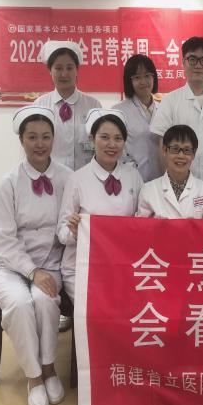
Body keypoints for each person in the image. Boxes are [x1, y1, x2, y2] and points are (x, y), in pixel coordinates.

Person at [0, 107, 73, 405]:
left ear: (53, 139)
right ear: (21, 140)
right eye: (32, 137)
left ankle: (49, 367)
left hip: (51, 260)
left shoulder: (67, 177)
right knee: (20, 304)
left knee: (46, 300)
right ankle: (34, 376)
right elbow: (5, 239)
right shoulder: (9, 182)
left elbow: (70, 221)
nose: (40, 144)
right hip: (9, 264)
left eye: (46, 137)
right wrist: (31, 271)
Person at [58, 109, 143, 302]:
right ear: (92, 139)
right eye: (104, 137)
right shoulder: (77, 179)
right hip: (82, 265)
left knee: (130, 305)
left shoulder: (133, 176)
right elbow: (62, 233)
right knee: (100, 305)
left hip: (123, 263)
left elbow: (141, 221)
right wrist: (74, 231)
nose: (112, 144)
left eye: (118, 138)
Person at [149, 36, 203, 183]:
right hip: (180, 183)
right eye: (192, 59)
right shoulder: (170, 101)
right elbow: (162, 145)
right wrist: (170, 183)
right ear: (183, 62)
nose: (198, 65)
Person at [33, 40, 102, 171]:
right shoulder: (40, 106)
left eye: (69, 68)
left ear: (77, 70)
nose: (64, 74)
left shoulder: (93, 105)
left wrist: (86, 148)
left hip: (85, 176)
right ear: (50, 70)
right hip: (50, 177)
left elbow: (99, 144)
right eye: (58, 68)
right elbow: (32, 147)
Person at [137, 125, 203, 219]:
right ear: (164, 150)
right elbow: (141, 226)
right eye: (175, 149)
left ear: (193, 154)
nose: (181, 156)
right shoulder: (148, 190)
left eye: (187, 150)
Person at [113, 54, 162, 182]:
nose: (143, 82)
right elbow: (115, 148)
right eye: (137, 77)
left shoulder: (164, 109)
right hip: (130, 180)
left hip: (160, 179)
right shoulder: (119, 111)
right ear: (130, 81)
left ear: (154, 77)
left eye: (147, 75)